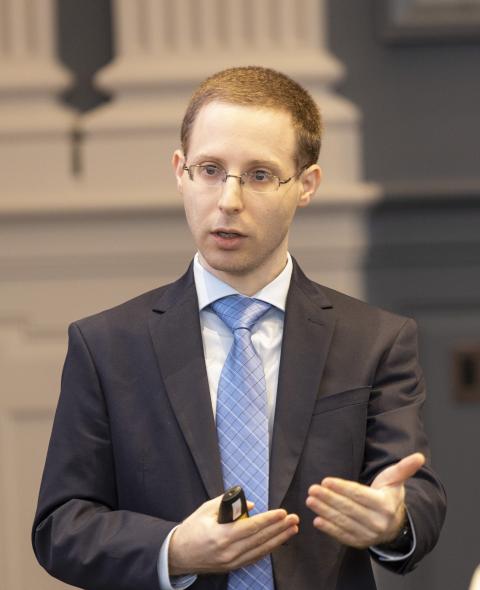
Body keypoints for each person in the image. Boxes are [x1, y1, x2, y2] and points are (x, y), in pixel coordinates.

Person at [32, 66, 446, 590]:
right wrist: (175, 549)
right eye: (210, 169)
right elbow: (61, 528)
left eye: (259, 175)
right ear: (180, 172)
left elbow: (419, 500)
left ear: (306, 185)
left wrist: (393, 522)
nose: (229, 200)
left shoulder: (376, 340)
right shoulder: (106, 345)